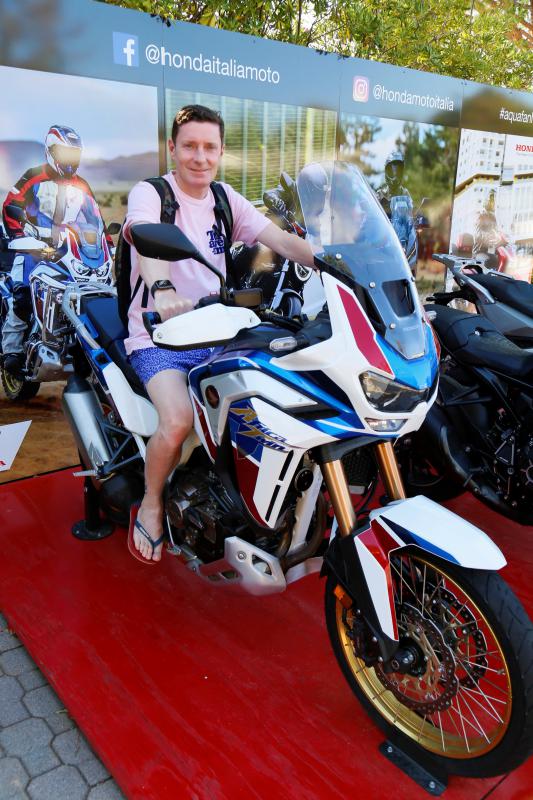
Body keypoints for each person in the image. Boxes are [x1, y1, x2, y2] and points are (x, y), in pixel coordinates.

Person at [124, 104, 315, 564]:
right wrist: (162, 288)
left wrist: (343, 266)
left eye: (210, 147)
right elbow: (145, 236)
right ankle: (150, 504)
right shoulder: (152, 193)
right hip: (160, 336)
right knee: (177, 421)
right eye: (190, 146)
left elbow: (282, 241)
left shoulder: (225, 199)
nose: (200, 157)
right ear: (173, 148)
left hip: (218, 332)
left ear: (221, 151)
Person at [1, 124, 109, 378]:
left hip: (68, 252)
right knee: (23, 295)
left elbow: (95, 219)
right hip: (34, 249)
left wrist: (109, 247)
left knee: (86, 294)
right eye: (65, 153)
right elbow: (10, 207)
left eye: (74, 154)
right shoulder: (34, 177)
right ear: (51, 151)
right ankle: (11, 353)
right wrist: (21, 235)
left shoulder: (81, 185)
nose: (70, 159)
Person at [375, 150, 411, 218]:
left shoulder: (405, 193)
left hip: (402, 225)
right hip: (385, 225)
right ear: (387, 171)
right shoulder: (380, 195)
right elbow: (373, 216)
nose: (395, 174)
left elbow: (411, 215)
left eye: (398, 170)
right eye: (392, 170)